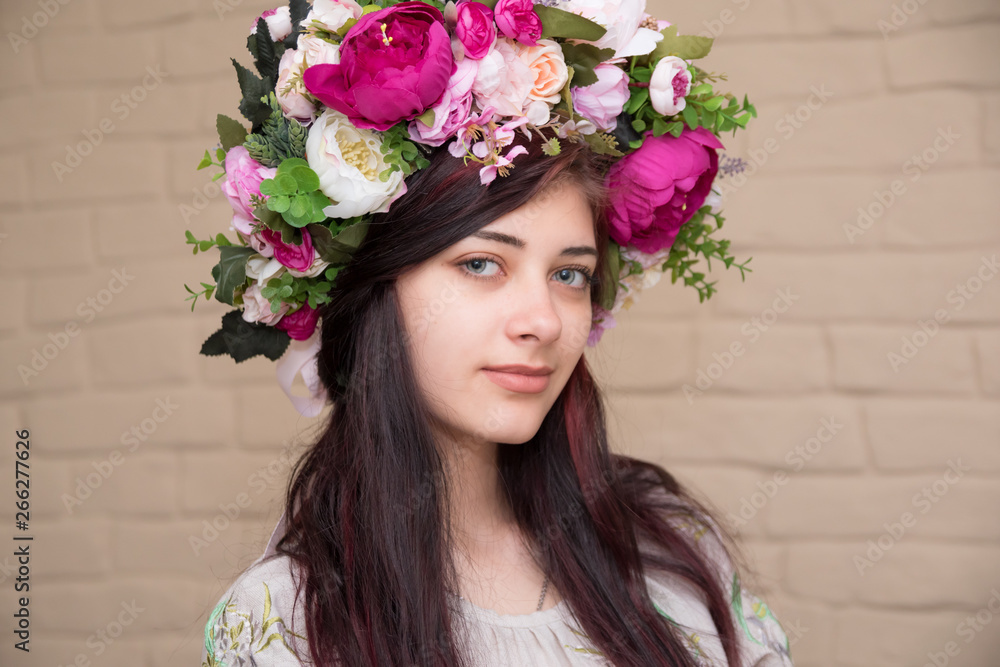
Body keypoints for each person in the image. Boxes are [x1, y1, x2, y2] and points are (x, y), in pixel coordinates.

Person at [197, 132, 793, 666]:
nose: (544, 322)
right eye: (482, 263)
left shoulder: (671, 547)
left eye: (569, 275)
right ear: (377, 293)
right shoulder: (283, 626)